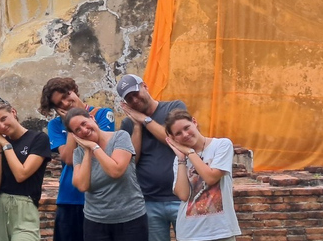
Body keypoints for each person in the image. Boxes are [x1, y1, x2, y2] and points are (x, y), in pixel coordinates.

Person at [39, 77, 115, 241]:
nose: (66, 102)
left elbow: (103, 148)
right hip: (70, 196)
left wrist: (81, 117)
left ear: (74, 90)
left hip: (100, 195)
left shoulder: (103, 114)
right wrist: (70, 123)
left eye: (67, 95)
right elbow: (68, 158)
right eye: (60, 103)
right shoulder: (55, 125)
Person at [118, 74, 187, 241]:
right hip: (148, 200)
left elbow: (175, 140)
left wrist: (145, 119)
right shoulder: (128, 124)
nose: (134, 100)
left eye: (136, 93)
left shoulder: (174, 107)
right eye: (129, 98)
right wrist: (136, 125)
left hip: (181, 198)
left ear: (145, 86)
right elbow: (133, 161)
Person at [66, 107, 148, 241]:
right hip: (95, 222)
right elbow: (82, 186)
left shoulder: (120, 137)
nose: (84, 130)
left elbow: (116, 171)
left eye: (84, 123)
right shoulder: (78, 153)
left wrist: (94, 147)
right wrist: (87, 151)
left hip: (131, 218)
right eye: (78, 130)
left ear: (92, 118)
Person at [164, 110, 241, 241]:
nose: (185, 134)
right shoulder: (180, 159)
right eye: (178, 133)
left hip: (221, 231)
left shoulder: (221, 145)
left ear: (194, 122)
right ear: (173, 139)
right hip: (189, 233)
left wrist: (189, 152)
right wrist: (182, 159)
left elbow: (211, 178)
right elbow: (183, 195)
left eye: (186, 128)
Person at [0, 97, 51, 241]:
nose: (1, 126)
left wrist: (6, 145)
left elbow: (21, 174)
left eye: (4, 119)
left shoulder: (38, 139)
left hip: (25, 206)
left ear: (13, 112)